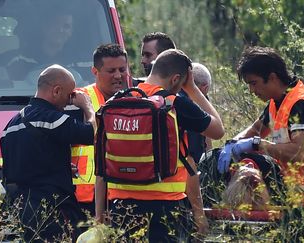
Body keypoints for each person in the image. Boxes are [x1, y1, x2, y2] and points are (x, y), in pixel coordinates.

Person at [96, 49, 225, 242]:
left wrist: (99, 217)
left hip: (121, 208)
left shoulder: (115, 103)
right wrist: (192, 88)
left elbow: (101, 167)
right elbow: (218, 130)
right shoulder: (173, 104)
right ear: (176, 79)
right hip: (165, 209)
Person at [217, 46, 304, 239]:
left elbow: (300, 153)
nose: (252, 90)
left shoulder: (301, 104)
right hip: (288, 196)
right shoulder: (277, 101)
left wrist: (259, 144)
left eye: (254, 83)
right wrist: (233, 144)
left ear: (272, 77)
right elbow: (254, 130)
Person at [0, 64, 96, 242]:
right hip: (52, 208)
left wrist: (60, 167)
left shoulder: (10, 125)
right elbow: (93, 134)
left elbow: (26, 161)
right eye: (68, 96)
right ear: (57, 91)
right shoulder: (50, 118)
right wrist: (87, 106)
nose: (68, 103)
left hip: (22, 208)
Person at [71, 43, 128, 216]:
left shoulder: (135, 101)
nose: (118, 75)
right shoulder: (79, 100)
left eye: (122, 69)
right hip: (84, 197)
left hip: (122, 193)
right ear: (95, 71)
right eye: (111, 71)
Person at [6, 7, 74, 80]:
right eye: (55, 24)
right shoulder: (17, 60)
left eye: (66, 26)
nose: (60, 30)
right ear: (44, 27)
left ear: (71, 32)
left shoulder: (80, 63)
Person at [180, 62, 213, 163]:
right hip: (191, 167)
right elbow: (214, 132)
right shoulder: (192, 105)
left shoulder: (173, 97)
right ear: (205, 87)